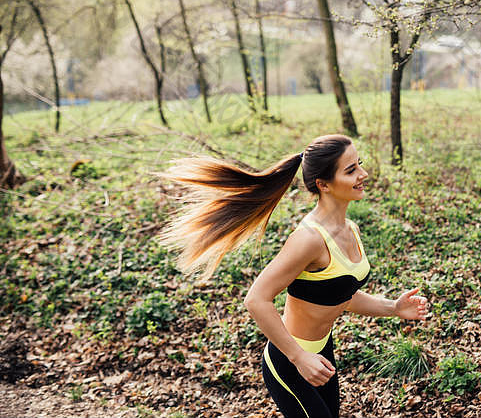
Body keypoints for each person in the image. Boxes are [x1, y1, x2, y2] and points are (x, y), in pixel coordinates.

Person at [159, 134, 427, 418]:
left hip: (321, 353)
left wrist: (393, 308)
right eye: (351, 170)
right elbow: (256, 299)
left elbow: (340, 295)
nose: (364, 174)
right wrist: (299, 357)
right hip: (289, 363)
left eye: (359, 164)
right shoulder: (308, 239)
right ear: (323, 185)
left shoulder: (350, 229)